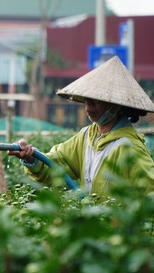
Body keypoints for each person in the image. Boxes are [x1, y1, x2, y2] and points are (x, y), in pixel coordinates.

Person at [8, 56, 154, 196]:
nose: (87, 108)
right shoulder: (87, 137)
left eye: (94, 103)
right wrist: (31, 159)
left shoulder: (130, 147)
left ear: (115, 106)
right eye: (86, 102)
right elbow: (55, 167)